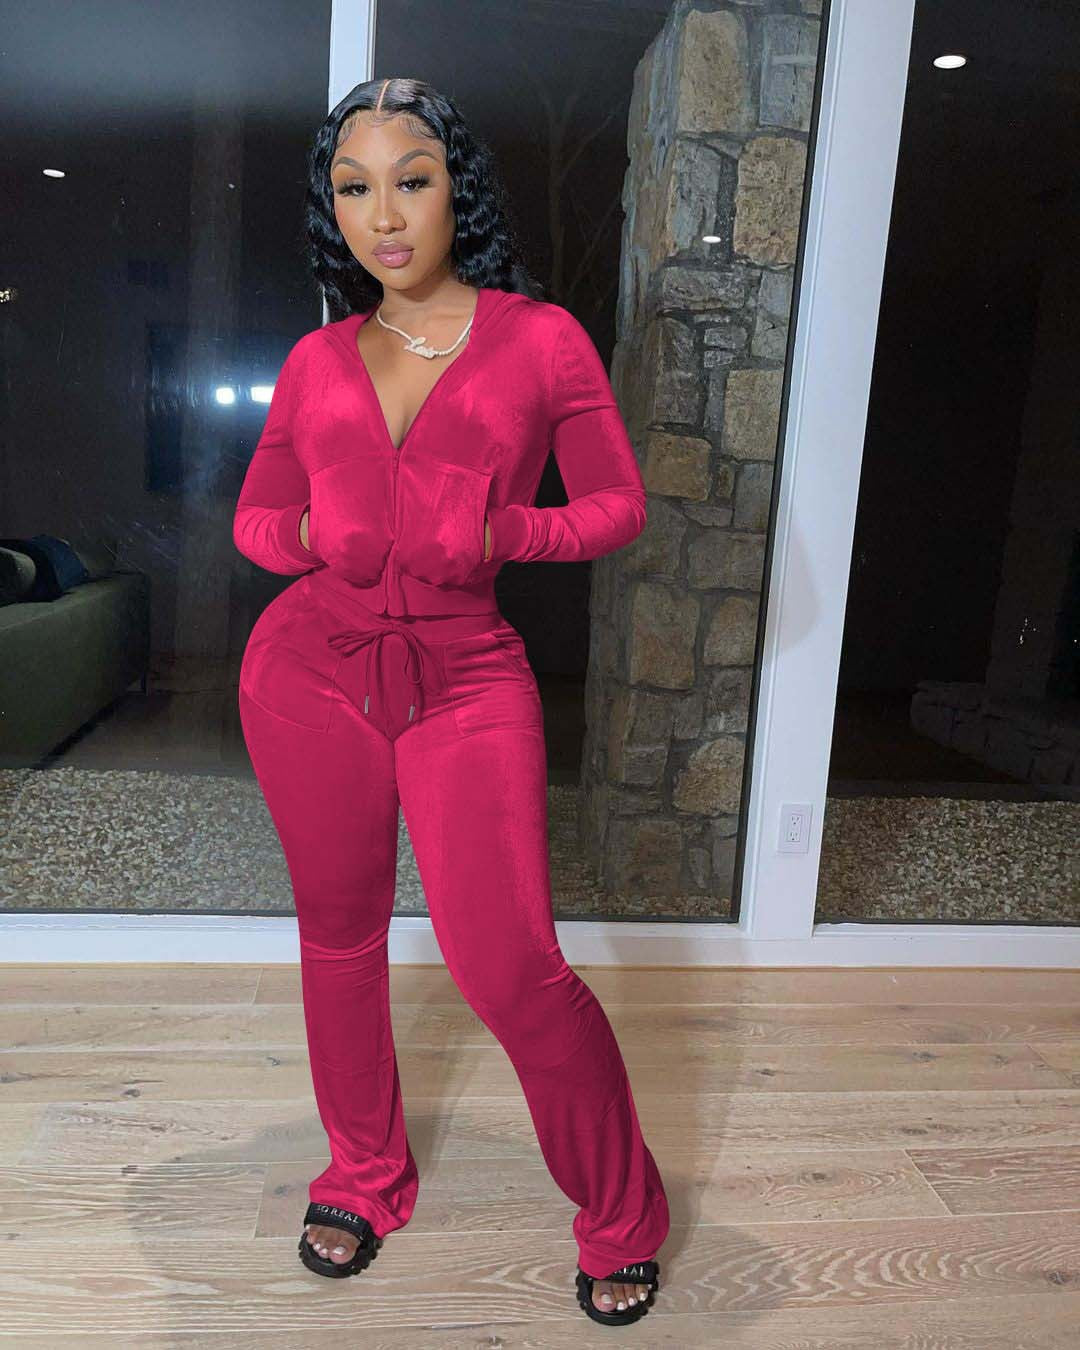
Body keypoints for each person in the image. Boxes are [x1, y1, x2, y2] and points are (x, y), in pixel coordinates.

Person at [232, 76, 670, 1328]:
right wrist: (309, 532)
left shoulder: (541, 340)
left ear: (454, 191)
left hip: (467, 678)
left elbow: (618, 505)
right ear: (332, 209)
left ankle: (622, 1215)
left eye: (410, 180)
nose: (384, 215)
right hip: (307, 676)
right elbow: (257, 520)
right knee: (338, 940)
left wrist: (503, 530)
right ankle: (362, 1176)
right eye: (354, 187)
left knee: (514, 968)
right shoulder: (316, 359)